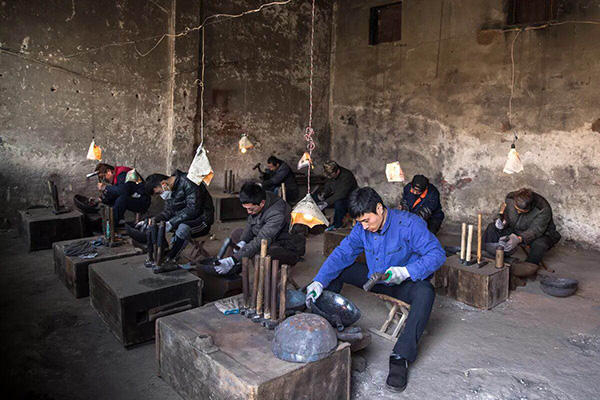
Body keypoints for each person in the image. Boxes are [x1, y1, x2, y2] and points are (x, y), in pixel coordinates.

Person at [305, 187, 445, 392]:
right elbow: (342, 253)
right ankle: (320, 320)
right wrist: (319, 281)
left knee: (425, 292)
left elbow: (437, 254)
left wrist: (406, 272)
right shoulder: (362, 228)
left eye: (366, 220)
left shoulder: (409, 224)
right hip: (375, 278)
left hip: (403, 283)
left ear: (379, 208)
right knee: (338, 269)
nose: (364, 226)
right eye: (360, 222)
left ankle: (401, 357)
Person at [214, 182, 306, 275]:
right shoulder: (261, 198)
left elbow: (262, 239)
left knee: (259, 255)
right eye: (246, 209)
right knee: (237, 234)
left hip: (288, 246)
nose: (248, 212)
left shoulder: (276, 213)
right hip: (272, 237)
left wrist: (233, 259)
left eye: (251, 209)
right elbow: (251, 221)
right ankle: (232, 268)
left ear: (262, 203)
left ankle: (233, 263)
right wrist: (243, 241)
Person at [142, 170, 214, 264]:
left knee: (183, 228)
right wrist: (155, 219)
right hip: (183, 220)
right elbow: (168, 212)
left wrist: (172, 223)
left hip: (202, 220)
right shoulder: (169, 189)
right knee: (156, 224)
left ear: (163, 183)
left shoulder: (189, 182)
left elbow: (193, 210)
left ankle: (171, 258)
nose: (161, 196)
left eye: (158, 193)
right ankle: (164, 252)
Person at [483, 188, 560, 268]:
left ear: (530, 207)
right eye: (516, 209)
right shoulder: (511, 198)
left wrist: (519, 239)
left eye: (522, 211)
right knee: (492, 227)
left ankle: (528, 267)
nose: (518, 212)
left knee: (540, 244)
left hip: (541, 234)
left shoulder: (542, 208)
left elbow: (535, 230)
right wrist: (501, 221)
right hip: (515, 229)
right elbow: (505, 213)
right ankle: (486, 254)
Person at [312, 160, 358, 231]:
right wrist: (323, 194)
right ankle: (320, 222)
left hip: (349, 199)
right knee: (315, 197)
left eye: (330, 175)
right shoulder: (331, 174)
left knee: (338, 203)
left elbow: (341, 194)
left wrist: (326, 203)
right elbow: (328, 184)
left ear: (337, 171)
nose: (329, 177)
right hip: (337, 196)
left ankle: (337, 225)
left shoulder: (347, 176)